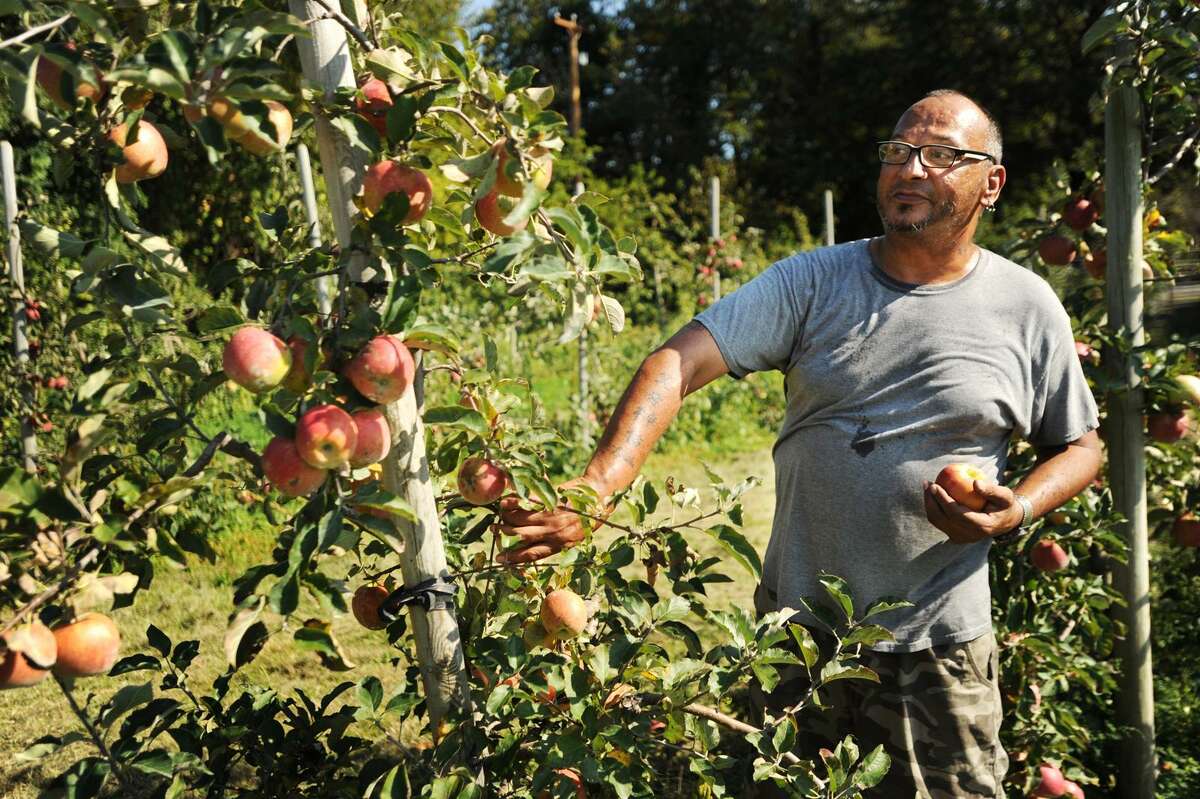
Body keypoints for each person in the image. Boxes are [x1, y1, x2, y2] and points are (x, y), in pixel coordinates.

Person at [494, 89, 1103, 798]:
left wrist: (1016, 509)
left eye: (940, 155)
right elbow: (677, 361)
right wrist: (598, 484)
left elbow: (1081, 445)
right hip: (795, 644)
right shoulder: (813, 282)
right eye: (898, 150)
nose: (910, 169)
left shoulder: (1027, 307)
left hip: (939, 650)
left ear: (991, 183)